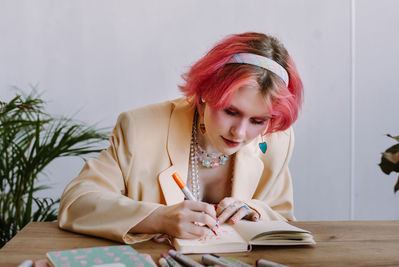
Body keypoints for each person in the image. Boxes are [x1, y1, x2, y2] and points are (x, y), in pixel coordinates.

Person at [58, 32, 303, 244]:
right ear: (206, 91)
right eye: (230, 111)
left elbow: (283, 218)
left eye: (257, 120)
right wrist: (158, 218)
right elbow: (77, 202)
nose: (239, 132)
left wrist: (254, 212)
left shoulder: (275, 139)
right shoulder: (140, 128)